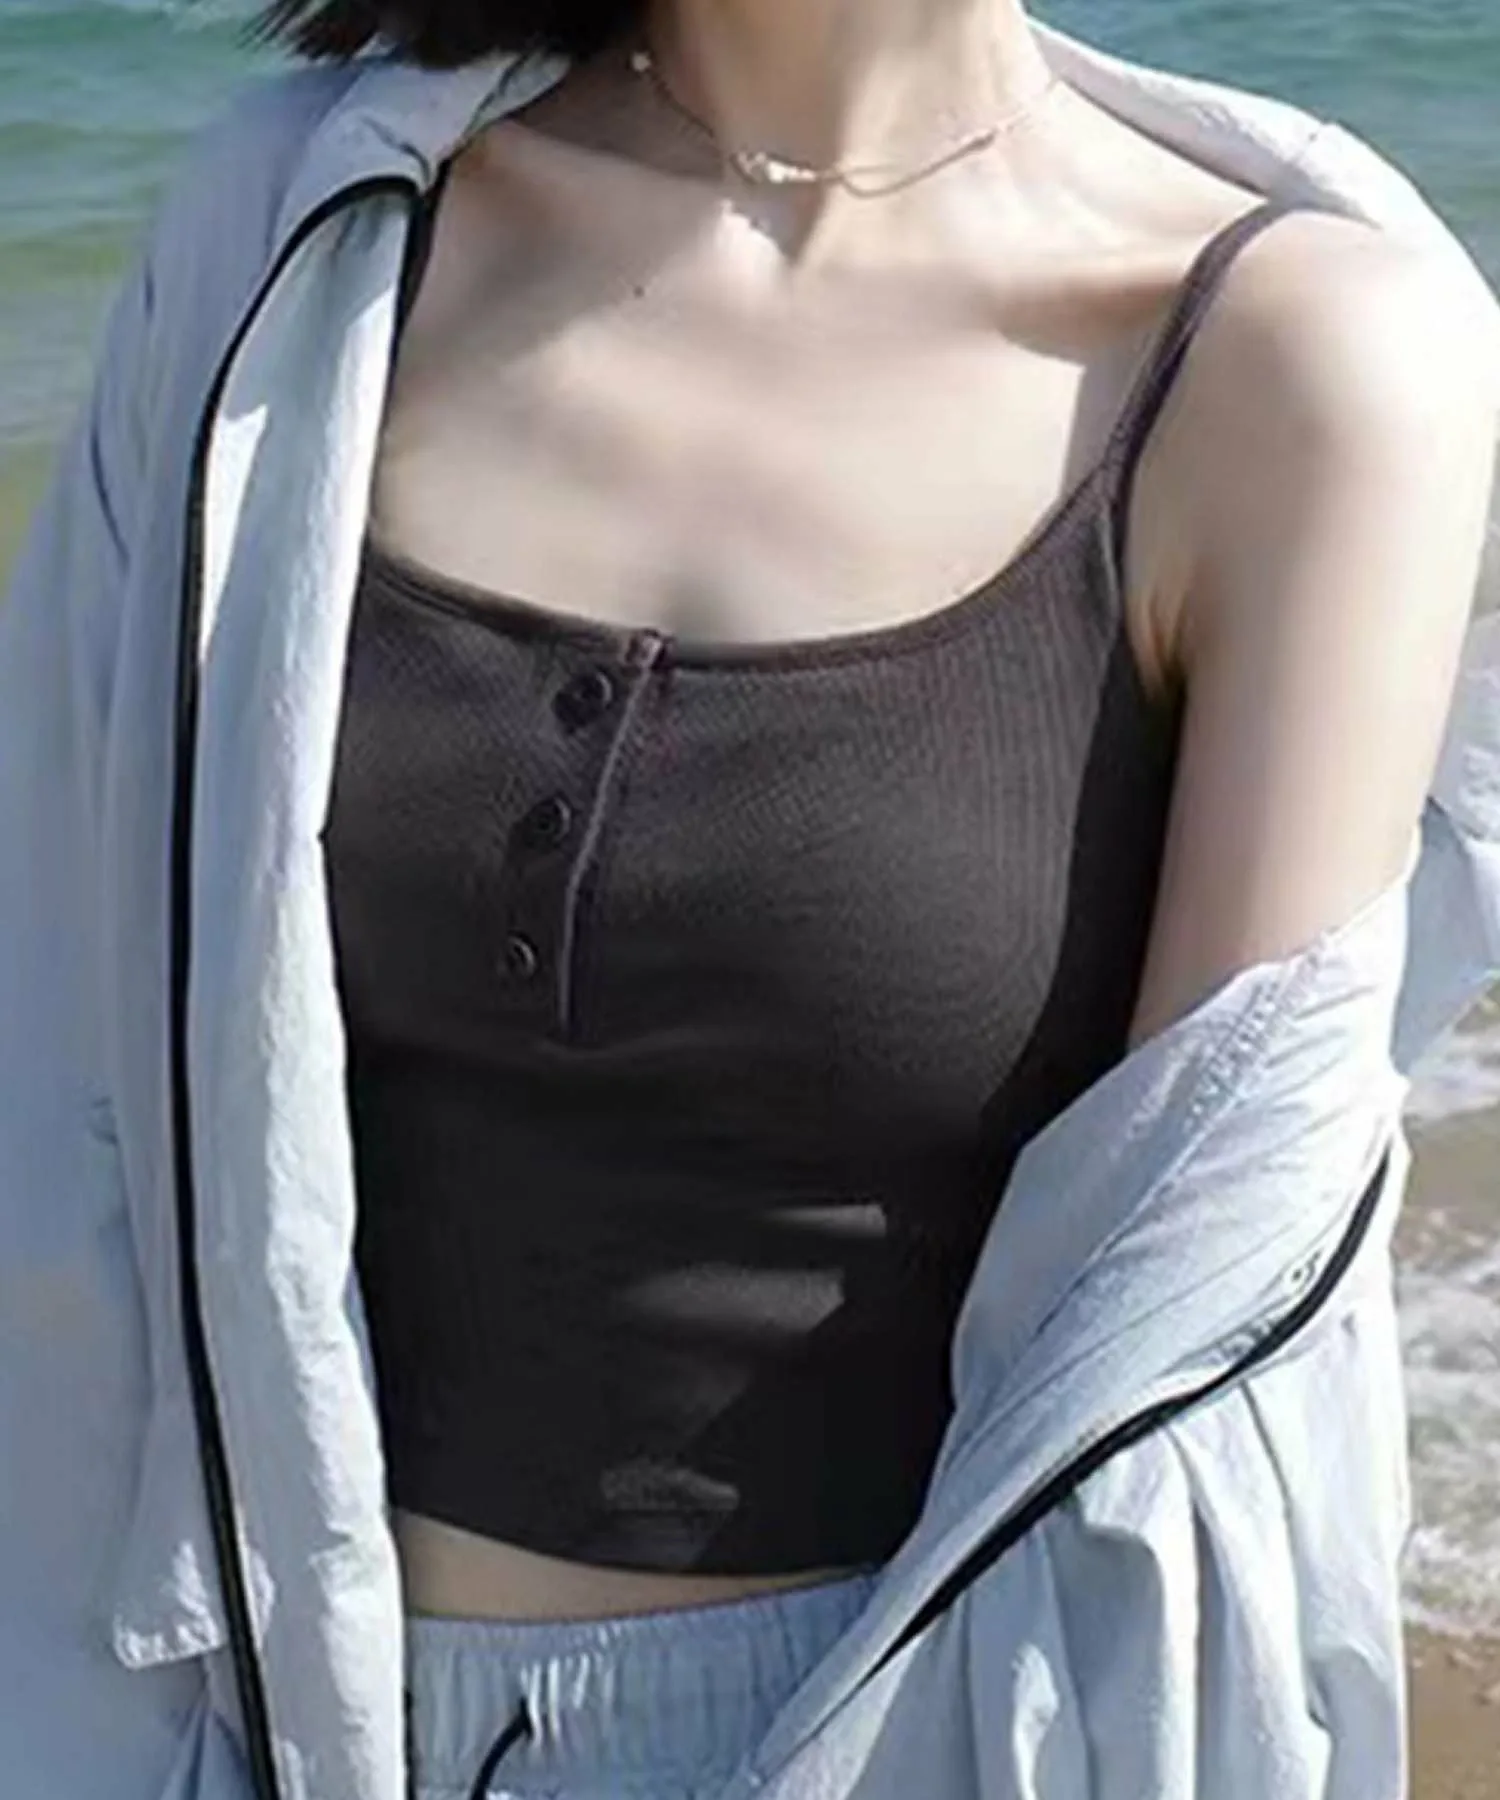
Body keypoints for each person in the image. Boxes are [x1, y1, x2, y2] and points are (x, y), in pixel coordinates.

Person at [1, 3, 1498, 1798]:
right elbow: (66, 1092)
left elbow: (1187, 1347)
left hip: (900, 1736)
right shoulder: (302, 235)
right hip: (249, 1714)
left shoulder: (1298, 362)